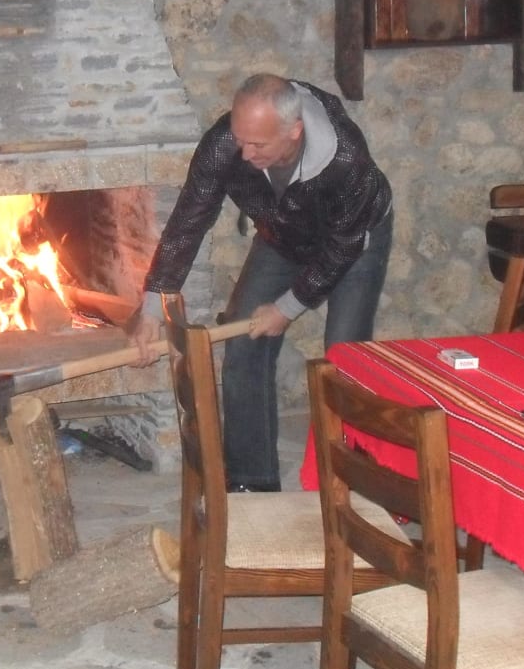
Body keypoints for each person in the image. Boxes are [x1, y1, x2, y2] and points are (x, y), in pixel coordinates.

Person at [130, 73, 394, 492]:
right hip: (282, 235)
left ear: (294, 131)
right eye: (240, 139)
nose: (245, 153)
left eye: (258, 145)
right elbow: (189, 219)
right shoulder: (224, 144)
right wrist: (152, 306)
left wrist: (287, 308)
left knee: (344, 358)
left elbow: (341, 249)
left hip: (354, 242)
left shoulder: (344, 158)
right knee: (243, 341)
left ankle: (353, 481)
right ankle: (252, 480)